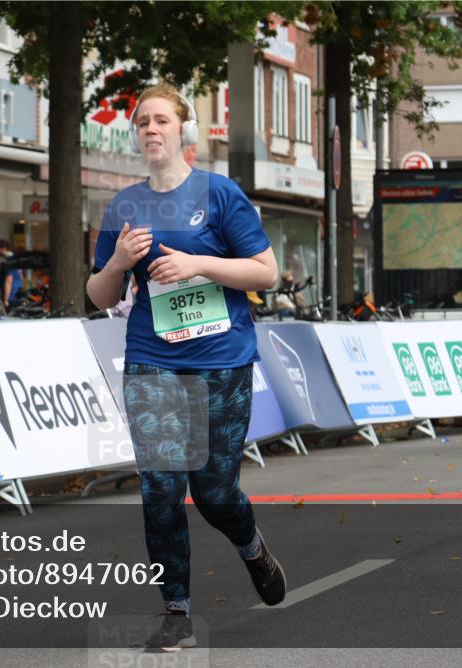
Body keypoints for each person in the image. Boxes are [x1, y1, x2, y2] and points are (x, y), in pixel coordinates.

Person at [86, 83, 284, 652]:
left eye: (161, 120)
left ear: (183, 129)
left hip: (221, 360)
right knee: (161, 488)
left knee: (215, 491)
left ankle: (251, 547)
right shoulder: (124, 206)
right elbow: (99, 295)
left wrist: (198, 263)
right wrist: (118, 263)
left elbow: (265, 272)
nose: (151, 129)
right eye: (142, 122)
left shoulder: (219, 194)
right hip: (153, 360)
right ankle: (176, 612)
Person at [0, 239, 23, 310]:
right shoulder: (14, 258)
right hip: (17, 290)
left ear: (3, 248)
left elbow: (9, 280)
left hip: (11, 294)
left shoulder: (9, 260)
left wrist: (6, 299)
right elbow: (20, 276)